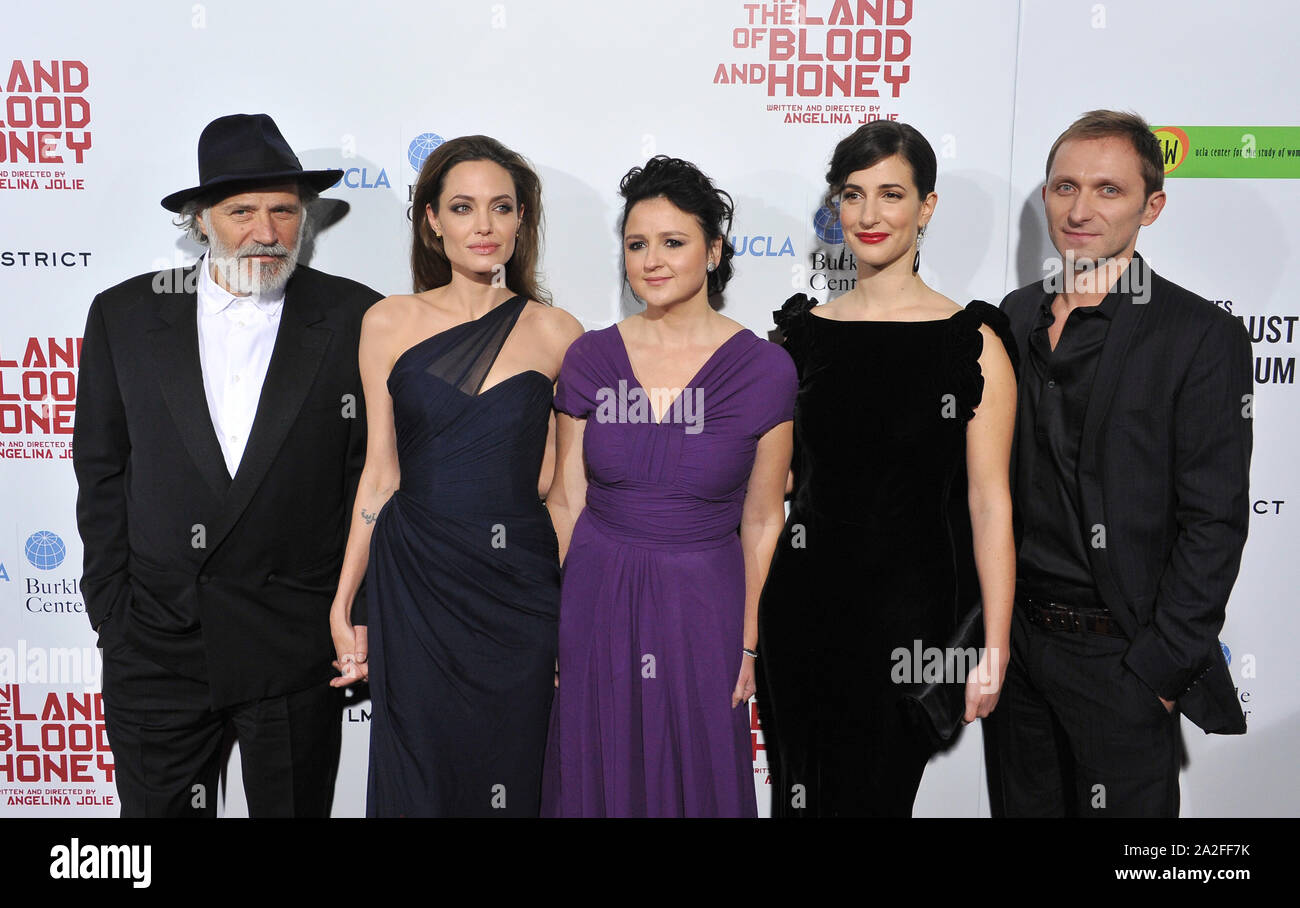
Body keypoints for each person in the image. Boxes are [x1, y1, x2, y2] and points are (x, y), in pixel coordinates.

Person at [73, 113, 382, 817]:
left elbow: (373, 478)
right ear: (199, 219)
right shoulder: (124, 315)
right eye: (241, 211)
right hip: (156, 645)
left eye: (284, 211)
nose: (266, 232)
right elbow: (101, 469)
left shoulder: (358, 316)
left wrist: (356, 615)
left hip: (296, 646)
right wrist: (113, 614)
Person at [984, 110, 1252, 817]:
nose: (1079, 209)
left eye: (1107, 190)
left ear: (1151, 206)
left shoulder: (1199, 335)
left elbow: (1214, 520)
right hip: (1018, 653)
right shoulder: (1011, 319)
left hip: (1121, 659)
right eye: (1064, 186)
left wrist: (1160, 670)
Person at [755, 121, 1018, 817]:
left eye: (891, 195)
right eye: (853, 194)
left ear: (926, 207)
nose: (869, 216)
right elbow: (773, 494)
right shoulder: (801, 337)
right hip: (801, 615)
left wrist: (993, 644)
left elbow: (991, 504)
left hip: (911, 629)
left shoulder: (973, 343)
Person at [328, 135, 583, 817]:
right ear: (432, 220)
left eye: (502, 208)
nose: (484, 226)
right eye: (463, 207)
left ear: (522, 219)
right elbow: (379, 476)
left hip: (518, 587)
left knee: (516, 765)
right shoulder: (388, 322)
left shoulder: (561, 334)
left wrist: (569, 610)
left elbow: (562, 493)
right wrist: (345, 598)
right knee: (421, 777)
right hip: (416, 582)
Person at [540, 156, 796, 817]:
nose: (651, 260)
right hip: (599, 595)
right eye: (636, 244)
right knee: (598, 771)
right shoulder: (590, 358)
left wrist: (747, 636)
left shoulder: (766, 370)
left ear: (713, 251)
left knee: (698, 777)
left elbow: (765, 519)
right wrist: (564, 622)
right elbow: (566, 500)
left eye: (673, 242)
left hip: (703, 606)